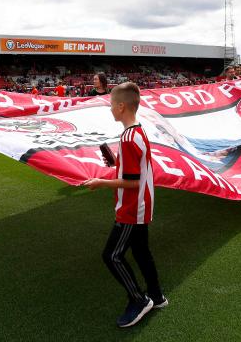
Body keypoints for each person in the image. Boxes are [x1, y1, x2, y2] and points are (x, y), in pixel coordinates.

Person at [83, 82, 167, 328]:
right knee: (141, 253)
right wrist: (114, 166)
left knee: (111, 256)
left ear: (121, 107)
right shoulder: (137, 132)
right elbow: (133, 172)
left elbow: (132, 183)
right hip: (141, 204)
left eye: (111, 104)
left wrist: (101, 182)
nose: (110, 109)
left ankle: (139, 300)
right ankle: (157, 296)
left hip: (132, 207)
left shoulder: (129, 137)